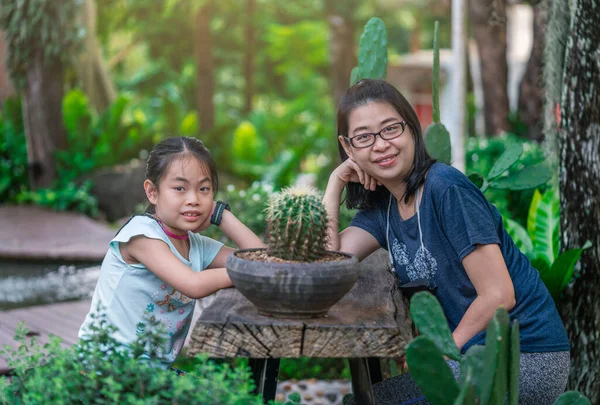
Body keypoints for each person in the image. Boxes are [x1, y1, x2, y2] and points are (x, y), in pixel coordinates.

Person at [323, 79, 570, 405]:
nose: (381, 145)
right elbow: (331, 260)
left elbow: (498, 295)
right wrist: (335, 181)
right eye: (364, 137)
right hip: (468, 356)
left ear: (411, 128)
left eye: (390, 129)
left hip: (525, 357)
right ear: (348, 146)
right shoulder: (383, 207)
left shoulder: (445, 187)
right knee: (363, 402)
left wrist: (441, 350)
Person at [79, 136, 264, 369]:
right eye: (179, 188)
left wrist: (222, 216)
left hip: (153, 372)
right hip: (109, 369)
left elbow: (262, 259)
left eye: (204, 189)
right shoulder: (142, 236)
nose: (193, 199)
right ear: (152, 192)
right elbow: (194, 284)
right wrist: (252, 271)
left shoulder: (197, 246)